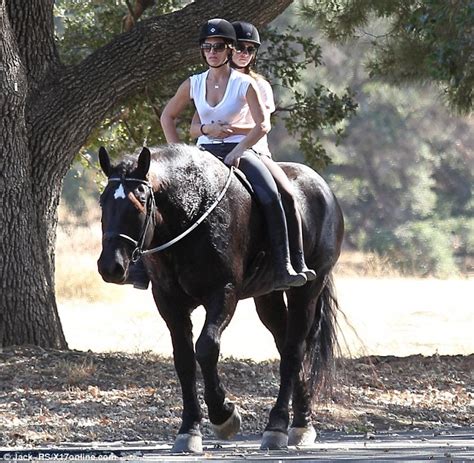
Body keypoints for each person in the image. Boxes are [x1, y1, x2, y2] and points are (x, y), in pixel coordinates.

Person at [160, 18, 307, 291]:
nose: (212, 52)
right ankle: (142, 266)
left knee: (273, 194)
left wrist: (239, 149)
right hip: (203, 150)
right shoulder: (192, 83)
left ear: (228, 49)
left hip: (243, 149)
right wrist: (177, 152)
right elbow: (168, 117)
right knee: (161, 192)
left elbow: (263, 124)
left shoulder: (245, 84)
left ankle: (285, 263)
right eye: (207, 47)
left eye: (218, 47)